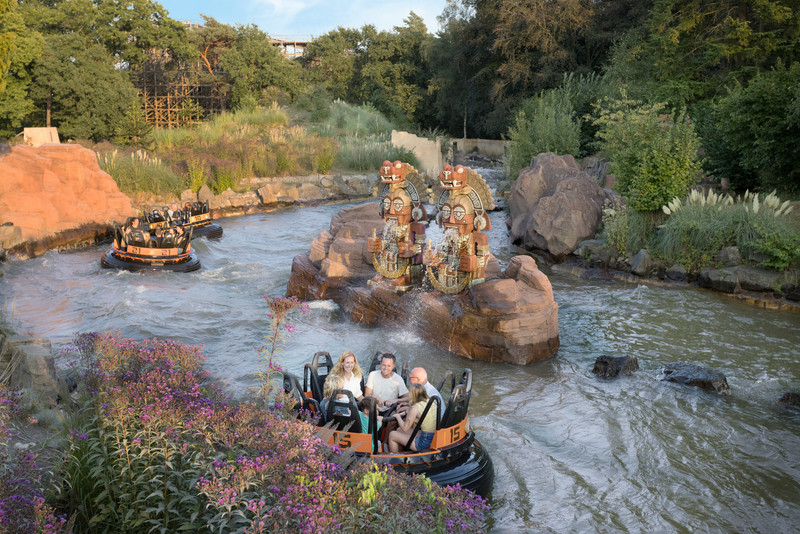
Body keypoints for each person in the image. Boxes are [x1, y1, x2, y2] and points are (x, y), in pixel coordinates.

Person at [387, 383, 437, 452]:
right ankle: (401, 454)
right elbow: (421, 414)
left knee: (392, 434)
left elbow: (405, 428)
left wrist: (398, 416)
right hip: (434, 437)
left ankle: (396, 460)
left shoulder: (415, 407)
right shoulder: (431, 401)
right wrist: (407, 408)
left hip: (424, 442)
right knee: (398, 430)